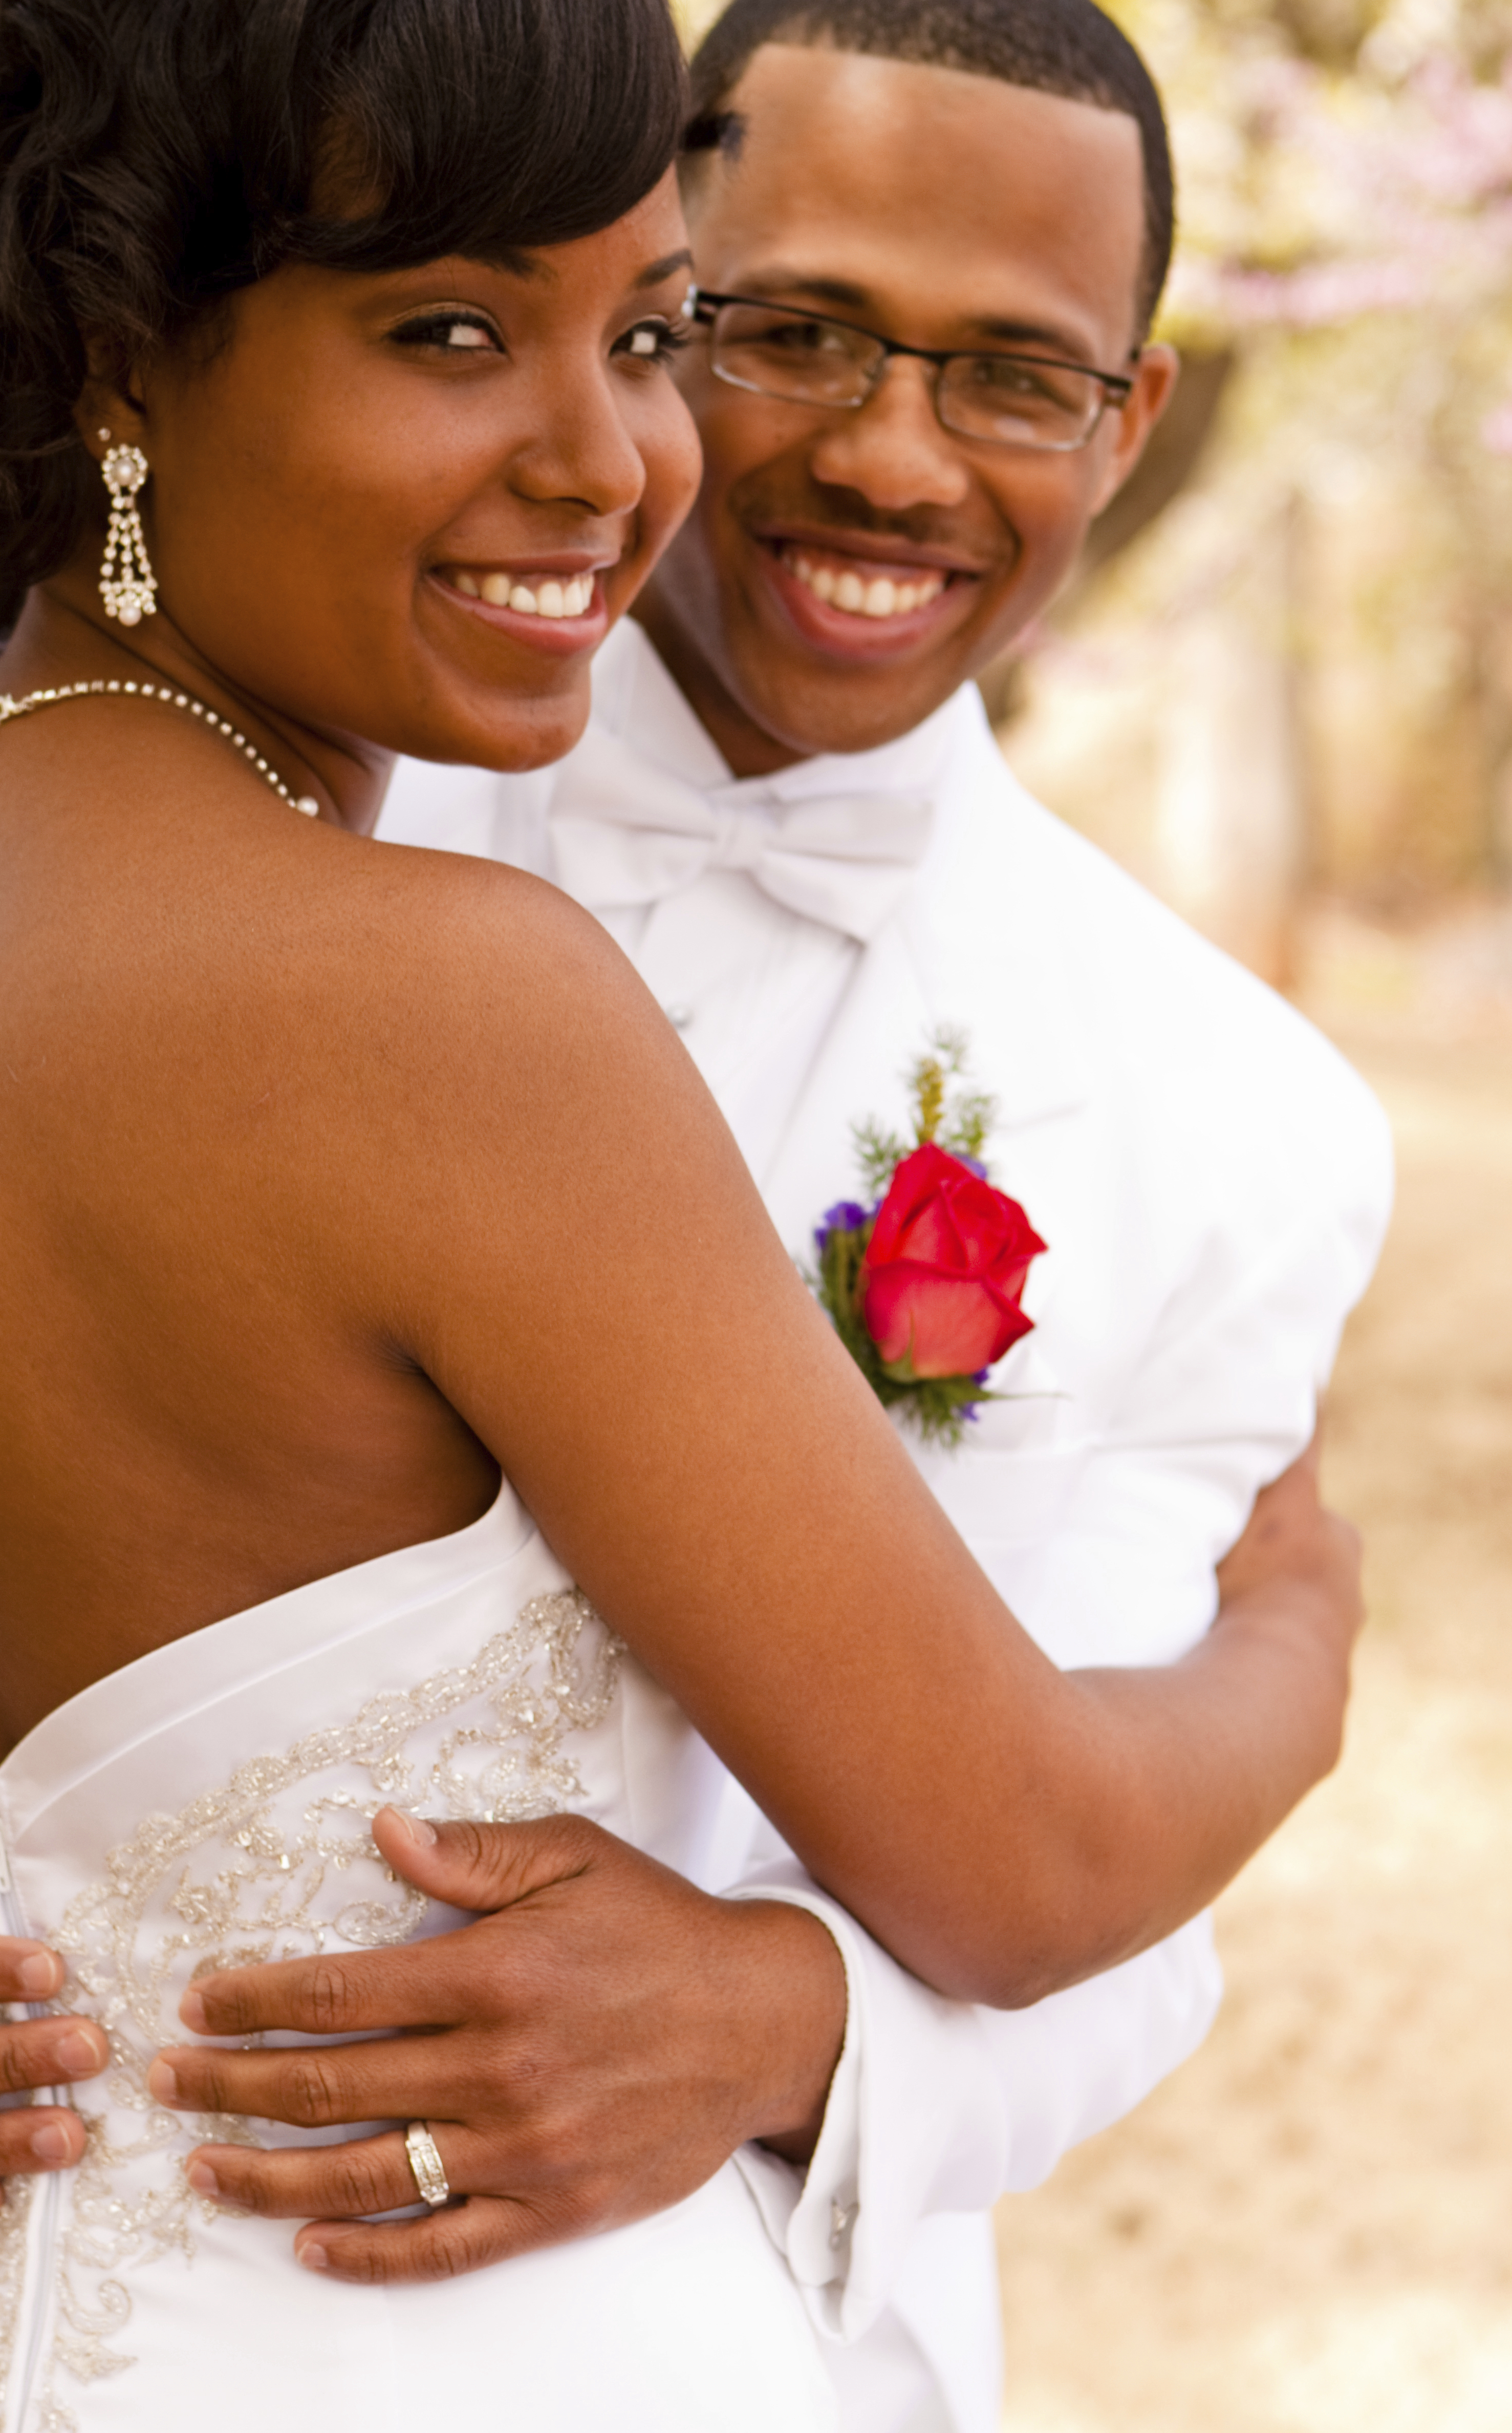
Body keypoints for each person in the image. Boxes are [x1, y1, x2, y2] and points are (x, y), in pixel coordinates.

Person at [0, 2, 1368, 2429]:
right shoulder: (449, 995)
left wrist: (790, 2011)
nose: (612, 459)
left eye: (648, 334)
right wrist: (1300, 1650)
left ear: (1136, 415)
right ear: (117, 355)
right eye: (452, 334)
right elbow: (1024, 1862)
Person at [360, 2, 1394, 2427]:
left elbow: (1123, 1881)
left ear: (1128, 421)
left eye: (1012, 378)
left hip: (757, 2338)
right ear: (643, 312)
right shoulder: (265, 814)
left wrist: (795, 2020)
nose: (889, 458)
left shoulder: (1243, 1119)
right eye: (792, 334)